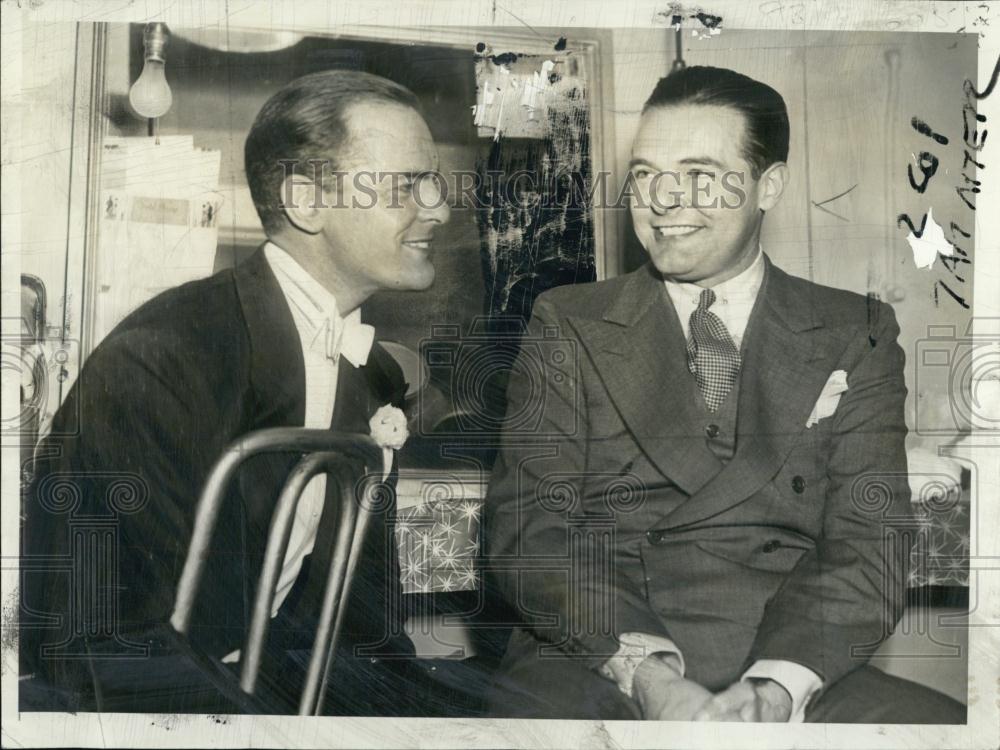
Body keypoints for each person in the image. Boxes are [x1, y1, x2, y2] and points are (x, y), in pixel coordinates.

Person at [483, 65, 966, 723]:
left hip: (789, 662)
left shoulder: (856, 329)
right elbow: (532, 533)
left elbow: (869, 541)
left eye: (701, 177)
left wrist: (775, 688)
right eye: (647, 175)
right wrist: (649, 678)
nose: (663, 201)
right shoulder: (569, 322)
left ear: (769, 186)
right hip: (600, 655)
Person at [20, 70, 453, 714]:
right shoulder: (165, 355)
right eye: (406, 185)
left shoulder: (369, 377)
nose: (440, 207)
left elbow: (365, 635)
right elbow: (96, 641)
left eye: (434, 182)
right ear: (306, 201)